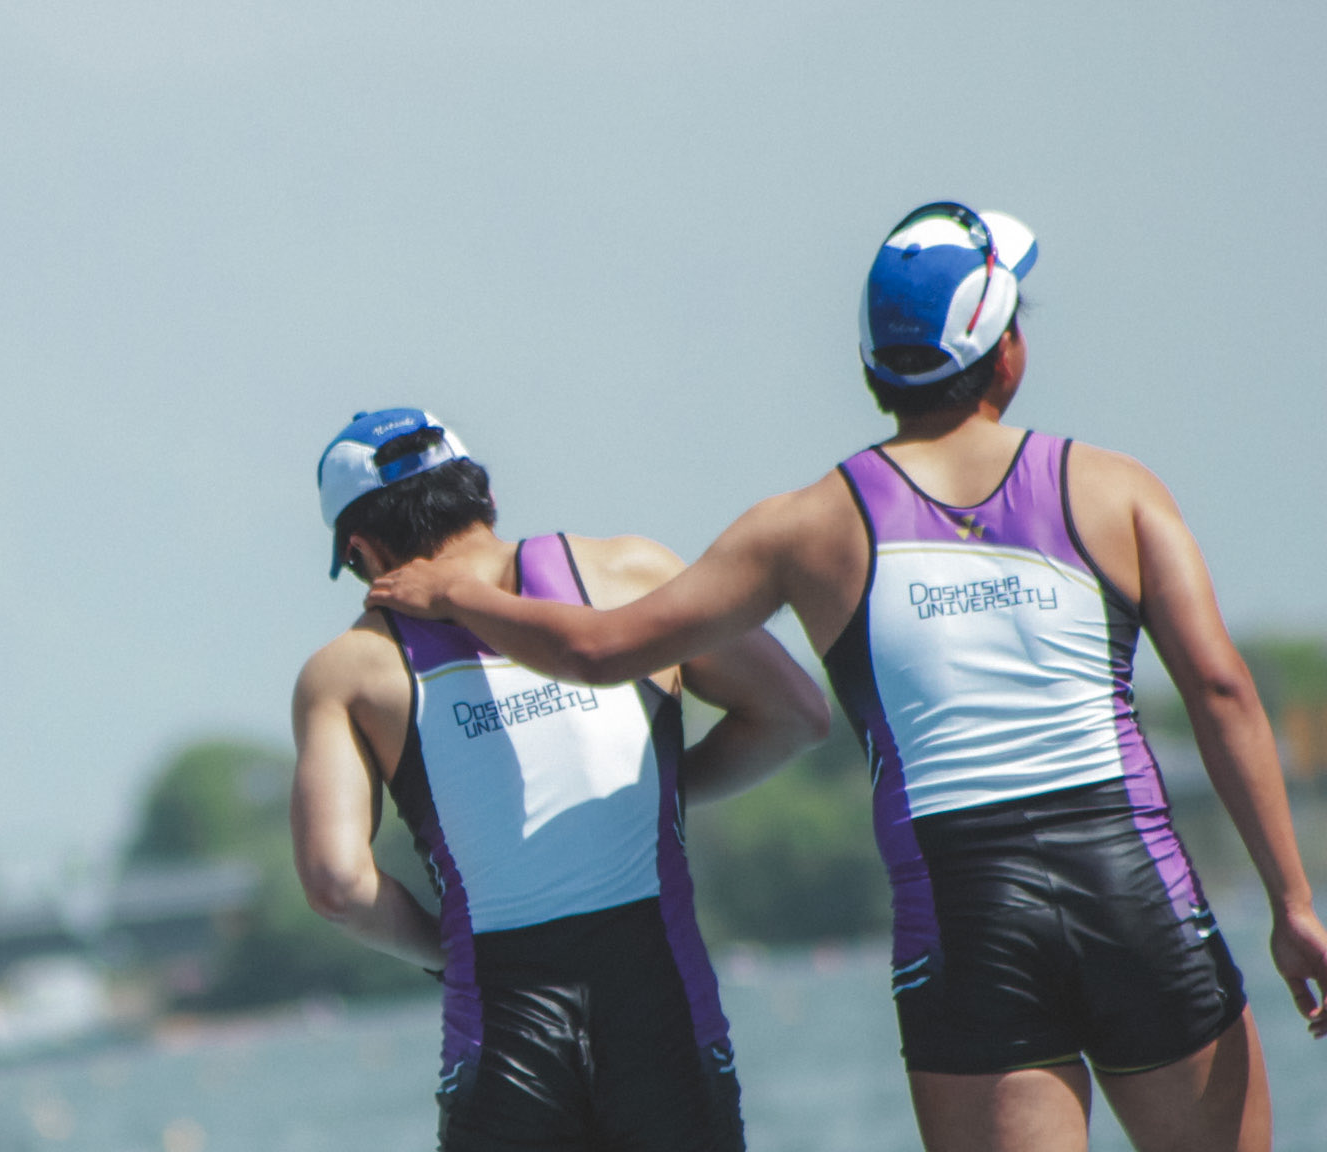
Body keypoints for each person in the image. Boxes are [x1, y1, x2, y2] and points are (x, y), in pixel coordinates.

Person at [366, 205, 1327, 1152]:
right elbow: (1221, 691)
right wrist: (1292, 905)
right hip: (1134, 886)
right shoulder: (1116, 489)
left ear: (874, 369)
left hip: (965, 919)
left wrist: (457, 594)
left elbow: (597, 649)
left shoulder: (806, 528)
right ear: (1008, 355)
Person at [291, 408, 829, 1152]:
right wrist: (656, 796)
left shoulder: (347, 671)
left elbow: (337, 886)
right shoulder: (631, 574)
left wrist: (450, 954)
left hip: (502, 1036)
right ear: (484, 497)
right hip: (666, 1017)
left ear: (363, 551)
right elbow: (795, 714)